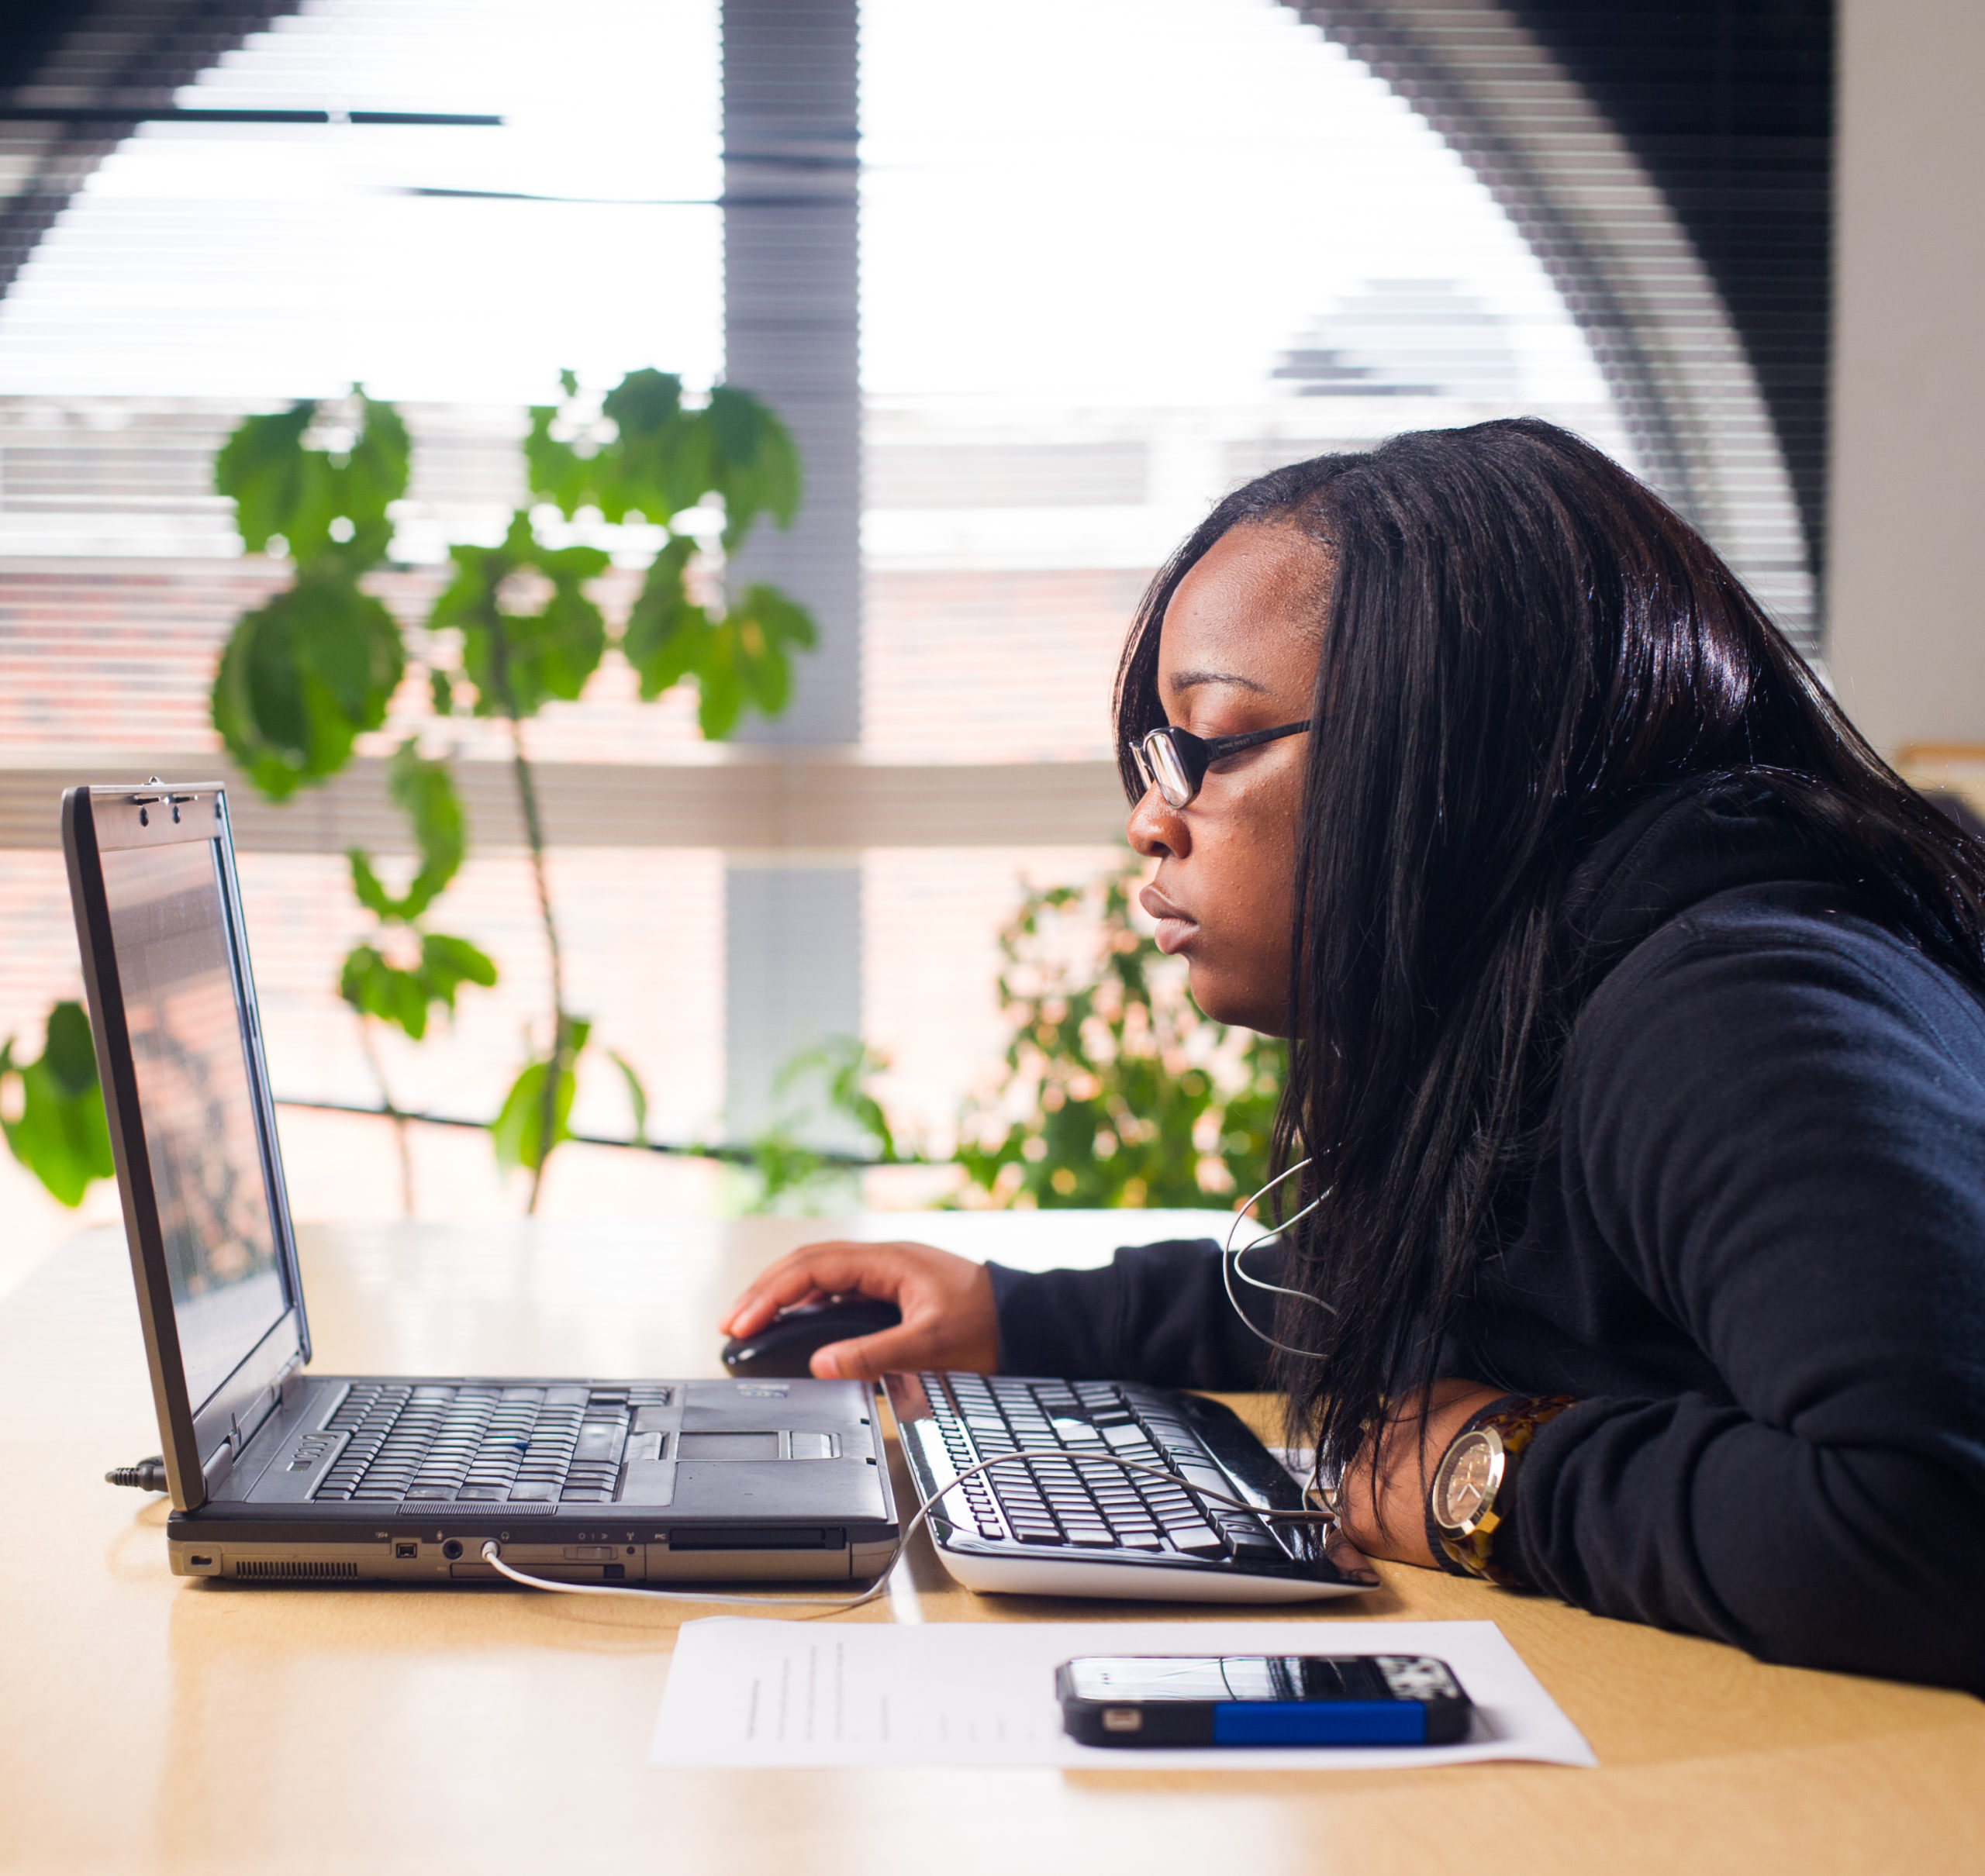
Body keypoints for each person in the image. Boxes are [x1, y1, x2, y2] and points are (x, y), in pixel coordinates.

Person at [720, 419, 1985, 1692]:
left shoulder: (1727, 1015)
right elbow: (1400, 1293)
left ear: (1457, 746)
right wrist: (1016, 1313)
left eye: (1212, 746)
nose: (1151, 821)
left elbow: (1935, 1515)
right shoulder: (1536, 996)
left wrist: (1491, 1476)